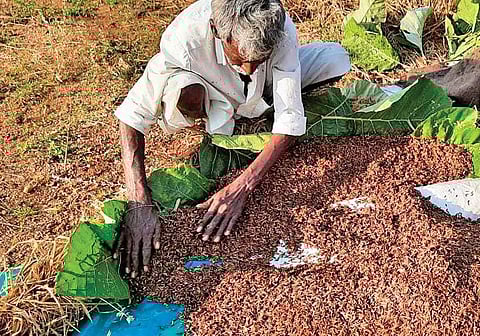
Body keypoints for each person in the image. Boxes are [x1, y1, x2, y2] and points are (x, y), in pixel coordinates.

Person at [113, 0, 351, 278]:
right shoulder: (185, 37)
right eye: (240, 59)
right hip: (211, 92)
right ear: (217, 31)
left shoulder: (277, 27)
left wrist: (242, 187)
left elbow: (289, 118)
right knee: (183, 90)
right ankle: (217, 120)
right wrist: (139, 202)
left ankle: (254, 110)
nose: (248, 68)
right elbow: (132, 116)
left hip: (263, 90)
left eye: (257, 60)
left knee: (335, 59)